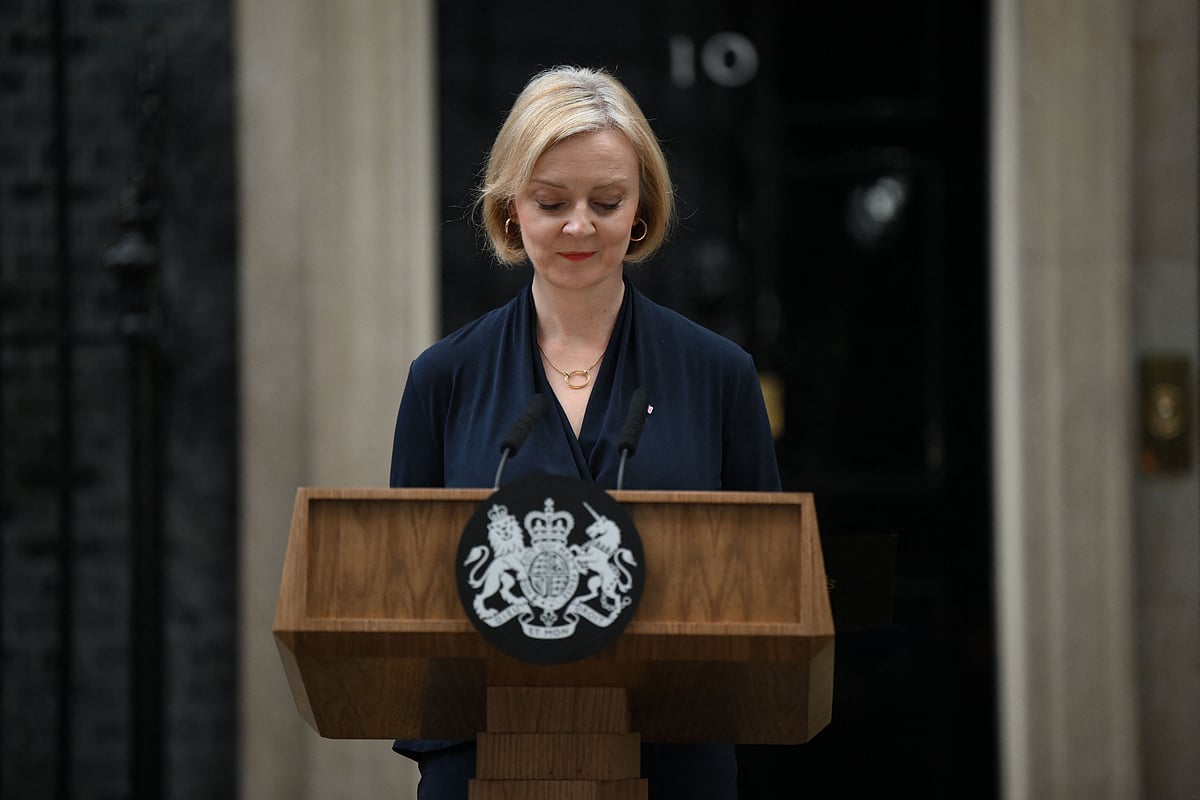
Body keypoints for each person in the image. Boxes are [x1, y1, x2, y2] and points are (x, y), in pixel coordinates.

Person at [389, 65, 781, 800]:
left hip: (672, 756)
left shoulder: (719, 375)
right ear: (511, 210)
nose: (579, 226)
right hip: (486, 755)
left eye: (606, 202)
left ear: (641, 212)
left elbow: (767, 586)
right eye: (551, 202)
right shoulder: (443, 378)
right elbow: (406, 593)